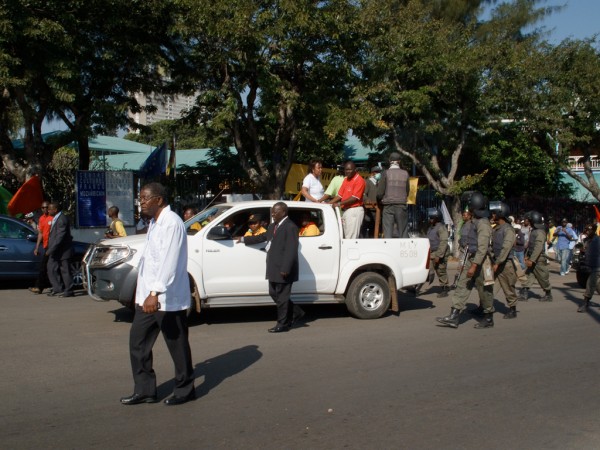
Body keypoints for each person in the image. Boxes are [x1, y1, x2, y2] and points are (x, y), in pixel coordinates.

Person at [120, 182, 195, 406]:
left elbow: (169, 262)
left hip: (165, 298)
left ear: (159, 200)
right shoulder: (154, 222)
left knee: (177, 345)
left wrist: (155, 292)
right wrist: (144, 294)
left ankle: (185, 390)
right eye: (140, 198)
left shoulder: (172, 223)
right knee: (138, 342)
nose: (140, 202)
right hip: (148, 298)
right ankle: (145, 390)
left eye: (144, 198)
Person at [238, 202, 304, 333]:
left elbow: (291, 249)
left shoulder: (290, 227)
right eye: (272, 212)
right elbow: (263, 237)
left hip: (283, 268)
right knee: (274, 293)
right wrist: (244, 239)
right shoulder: (273, 225)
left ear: (283, 212)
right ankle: (296, 312)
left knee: (282, 297)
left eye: (275, 212)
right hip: (273, 266)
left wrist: (286, 268)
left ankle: (282, 324)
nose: (273, 214)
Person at [436, 192, 494, 329]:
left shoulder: (483, 224)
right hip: (470, 258)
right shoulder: (473, 222)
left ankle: (488, 317)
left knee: (485, 290)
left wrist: (474, 265)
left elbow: (483, 248)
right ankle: (454, 316)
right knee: (462, 285)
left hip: (481, 260)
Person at [490, 202, 519, 319]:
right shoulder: (497, 228)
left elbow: (506, 247)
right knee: (489, 288)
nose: (492, 215)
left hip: (505, 264)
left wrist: (498, 262)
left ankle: (513, 309)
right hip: (496, 262)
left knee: (508, 288)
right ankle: (485, 307)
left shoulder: (508, 230)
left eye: (494, 213)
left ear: (500, 214)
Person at [520, 211, 553, 302]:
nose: (527, 221)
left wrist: (532, 260)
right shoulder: (534, 230)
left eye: (529, 220)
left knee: (542, 277)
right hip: (533, 258)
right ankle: (525, 292)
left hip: (539, 259)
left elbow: (538, 247)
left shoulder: (540, 232)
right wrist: (527, 256)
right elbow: (531, 245)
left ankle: (548, 294)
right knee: (528, 276)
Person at [377, 152, 410, 238]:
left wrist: (380, 200)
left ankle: (389, 249)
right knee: (403, 231)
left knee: (388, 232)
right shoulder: (405, 173)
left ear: (389, 161)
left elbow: (380, 193)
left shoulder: (385, 173)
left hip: (388, 206)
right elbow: (408, 190)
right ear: (399, 161)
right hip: (401, 205)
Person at [329, 161, 366, 239]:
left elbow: (354, 198)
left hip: (354, 210)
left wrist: (339, 204)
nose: (348, 171)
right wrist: (328, 204)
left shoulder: (359, 180)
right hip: (346, 210)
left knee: (351, 238)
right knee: (346, 236)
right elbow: (339, 195)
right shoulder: (346, 179)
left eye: (350, 169)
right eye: (346, 169)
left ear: (355, 169)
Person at [46, 202, 74, 298]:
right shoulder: (56, 218)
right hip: (56, 250)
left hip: (63, 250)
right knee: (51, 268)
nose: (48, 210)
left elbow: (60, 237)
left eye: (50, 209)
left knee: (65, 271)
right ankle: (57, 288)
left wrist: (50, 250)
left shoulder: (62, 219)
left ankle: (69, 291)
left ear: (55, 209)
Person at [28, 201, 52, 294]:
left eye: (46, 207)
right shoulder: (41, 219)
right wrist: (37, 247)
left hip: (52, 246)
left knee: (44, 267)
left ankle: (39, 287)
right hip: (46, 245)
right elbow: (40, 234)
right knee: (47, 267)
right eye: (43, 208)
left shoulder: (53, 218)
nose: (45, 209)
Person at [426, 208, 450, 297]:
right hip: (432, 252)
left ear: (437, 218)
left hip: (439, 253)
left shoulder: (441, 228)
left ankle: (444, 288)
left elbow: (444, 242)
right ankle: (416, 288)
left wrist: (439, 256)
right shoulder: (430, 228)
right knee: (427, 270)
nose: (430, 219)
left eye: (432, 218)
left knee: (441, 271)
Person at [577, 232, 600, 313]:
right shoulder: (589, 241)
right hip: (593, 266)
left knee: (590, 283)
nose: (586, 233)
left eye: (588, 231)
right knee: (597, 284)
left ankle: (585, 303)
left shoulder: (596, 241)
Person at [362, 166, 381, 238]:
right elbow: (364, 194)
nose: (378, 174)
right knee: (367, 226)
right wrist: (367, 200)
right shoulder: (368, 182)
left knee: (377, 228)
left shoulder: (380, 183)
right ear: (372, 173)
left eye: (379, 172)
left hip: (378, 209)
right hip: (369, 209)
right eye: (377, 172)